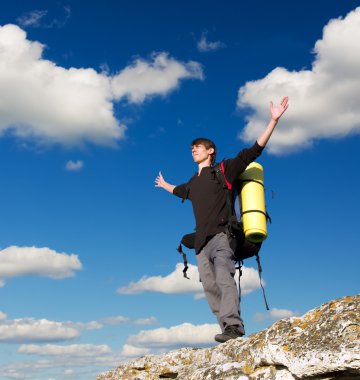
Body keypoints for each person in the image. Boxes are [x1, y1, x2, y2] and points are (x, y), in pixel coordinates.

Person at [155, 96, 289, 343]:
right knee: (210, 287)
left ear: (210, 151)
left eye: (198, 147)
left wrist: (273, 120)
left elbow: (253, 151)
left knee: (224, 279)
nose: (193, 150)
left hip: (222, 237)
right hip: (201, 244)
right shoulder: (193, 183)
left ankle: (234, 326)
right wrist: (164, 185)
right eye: (191, 148)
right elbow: (180, 191)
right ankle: (228, 330)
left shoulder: (223, 171)